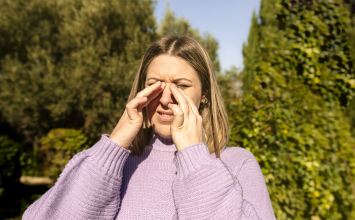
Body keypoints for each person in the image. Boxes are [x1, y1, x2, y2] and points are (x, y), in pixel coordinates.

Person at [23, 35, 276, 220]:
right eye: (155, 85)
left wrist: (195, 157)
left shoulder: (237, 163)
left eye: (181, 86)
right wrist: (115, 143)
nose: (165, 99)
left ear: (204, 95)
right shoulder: (115, 164)